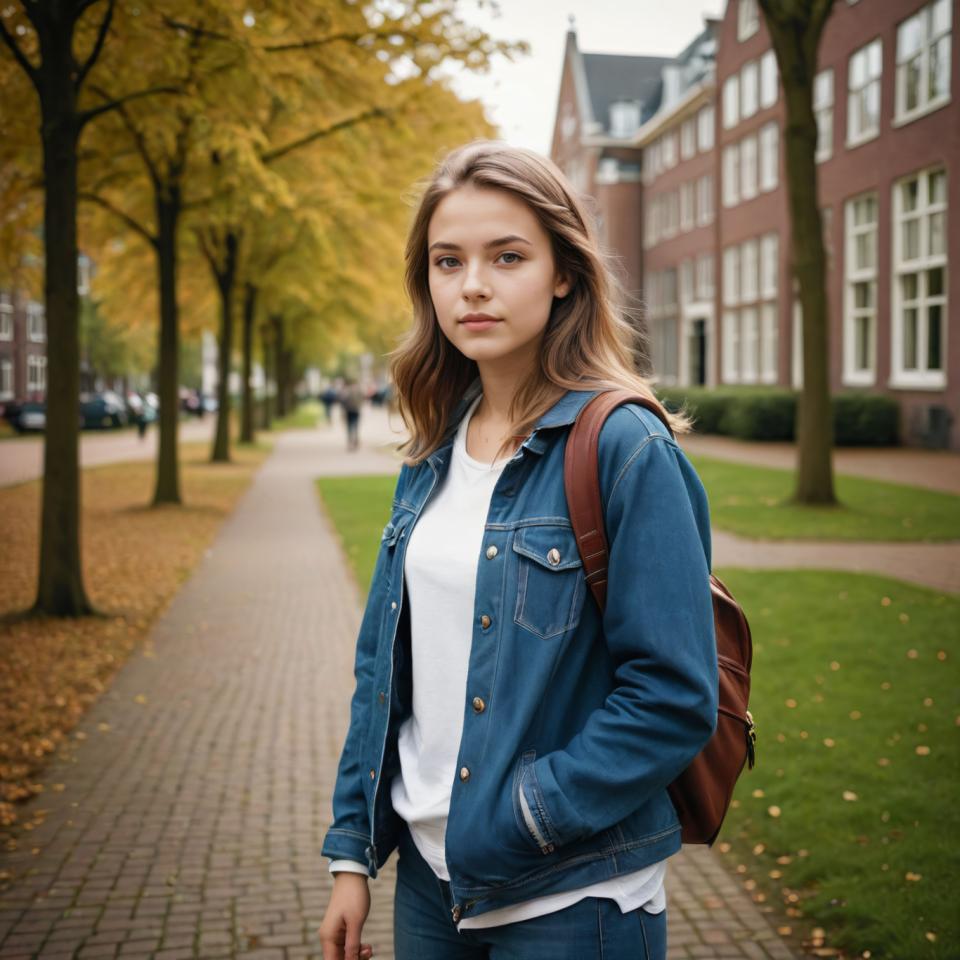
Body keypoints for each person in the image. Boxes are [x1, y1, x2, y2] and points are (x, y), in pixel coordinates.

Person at [318, 141, 718, 960]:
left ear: (563, 271)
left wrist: (525, 816)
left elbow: (673, 695)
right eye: (447, 260)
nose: (472, 285)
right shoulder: (433, 449)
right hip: (431, 889)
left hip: (572, 898)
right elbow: (381, 669)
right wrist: (352, 854)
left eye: (507, 256)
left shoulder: (624, 446)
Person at [341, 377, 364, 450]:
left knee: (350, 427)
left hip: (349, 411)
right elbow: (363, 399)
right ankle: (355, 440)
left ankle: (351, 441)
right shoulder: (359, 390)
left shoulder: (347, 391)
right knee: (355, 426)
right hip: (356, 410)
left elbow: (343, 400)